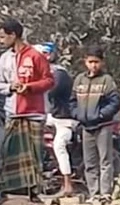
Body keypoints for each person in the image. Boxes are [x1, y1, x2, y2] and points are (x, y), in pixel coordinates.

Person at [0, 18, 54, 200]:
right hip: (12, 112)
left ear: (13, 35)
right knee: (9, 151)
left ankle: (34, 192)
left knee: (33, 155)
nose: (1, 41)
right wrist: (10, 87)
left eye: (3, 37)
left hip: (33, 113)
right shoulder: (4, 59)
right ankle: (12, 190)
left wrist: (29, 87)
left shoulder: (35, 56)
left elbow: (49, 80)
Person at [72, 44, 120, 197]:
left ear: (102, 62)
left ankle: (105, 193)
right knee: (89, 162)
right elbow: (72, 101)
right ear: (85, 62)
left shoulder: (107, 80)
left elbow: (114, 103)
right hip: (86, 127)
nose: (93, 65)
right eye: (90, 62)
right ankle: (94, 193)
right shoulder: (79, 80)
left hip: (103, 126)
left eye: (96, 62)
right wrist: (77, 115)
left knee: (105, 161)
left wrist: (101, 115)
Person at [38, 43, 77, 196]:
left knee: (59, 145)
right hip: (52, 116)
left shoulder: (59, 73)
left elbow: (51, 91)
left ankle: (68, 183)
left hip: (65, 118)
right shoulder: (48, 72)